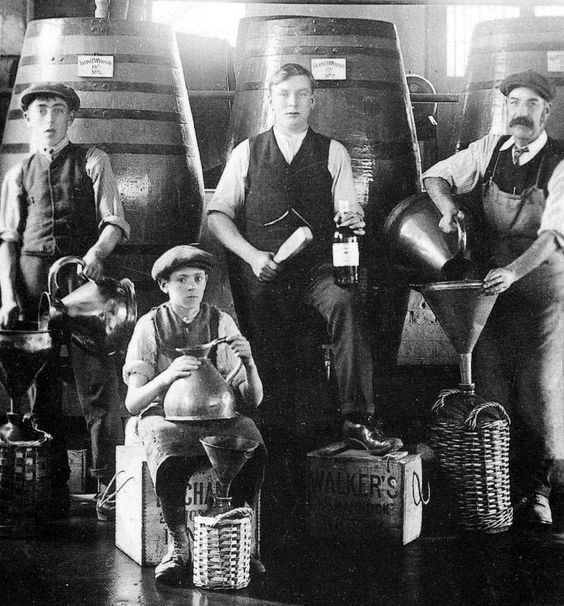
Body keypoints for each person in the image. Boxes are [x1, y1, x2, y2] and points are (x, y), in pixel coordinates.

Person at [207, 63, 402, 456]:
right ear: (272, 101)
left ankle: (357, 420)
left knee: (347, 303)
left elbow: (348, 213)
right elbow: (217, 216)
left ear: (313, 101)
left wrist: (353, 219)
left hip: (318, 274)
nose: (292, 102)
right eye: (284, 94)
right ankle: (262, 437)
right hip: (264, 274)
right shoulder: (247, 152)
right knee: (270, 366)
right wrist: (251, 255)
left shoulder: (334, 152)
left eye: (300, 94)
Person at [423, 69, 564, 528]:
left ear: (546, 111)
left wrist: (514, 270)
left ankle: (539, 492)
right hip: (489, 294)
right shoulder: (488, 150)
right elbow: (436, 176)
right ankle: (496, 492)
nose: (520, 113)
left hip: (541, 292)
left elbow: (552, 238)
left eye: (531, 105)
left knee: (540, 392)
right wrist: (448, 206)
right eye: (514, 103)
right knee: (491, 389)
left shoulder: (560, 163)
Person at [0, 82, 130, 520]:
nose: (50, 119)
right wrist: (7, 296)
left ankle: (107, 488)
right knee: (40, 396)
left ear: (71, 118)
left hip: (82, 285)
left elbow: (114, 222)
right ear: (29, 119)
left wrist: (98, 253)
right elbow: (8, 243)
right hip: (33, 290)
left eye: (58, 110)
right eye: (41, 112)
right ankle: (49, 487)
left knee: (100, 389)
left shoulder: (94, 160)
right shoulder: (17, 173)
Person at [122, 245, 265, 587]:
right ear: (164, 285)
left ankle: (237, 536)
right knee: (167, 447)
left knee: (252, 440)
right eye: (182, 279)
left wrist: (248, 362)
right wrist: (168, 375)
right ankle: (178, 543)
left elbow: (252, 400)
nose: (192, 286)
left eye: (198, 278)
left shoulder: (220, 322)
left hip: (217, 417)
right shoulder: (150, 325)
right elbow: (132, 403)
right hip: (163, 417)